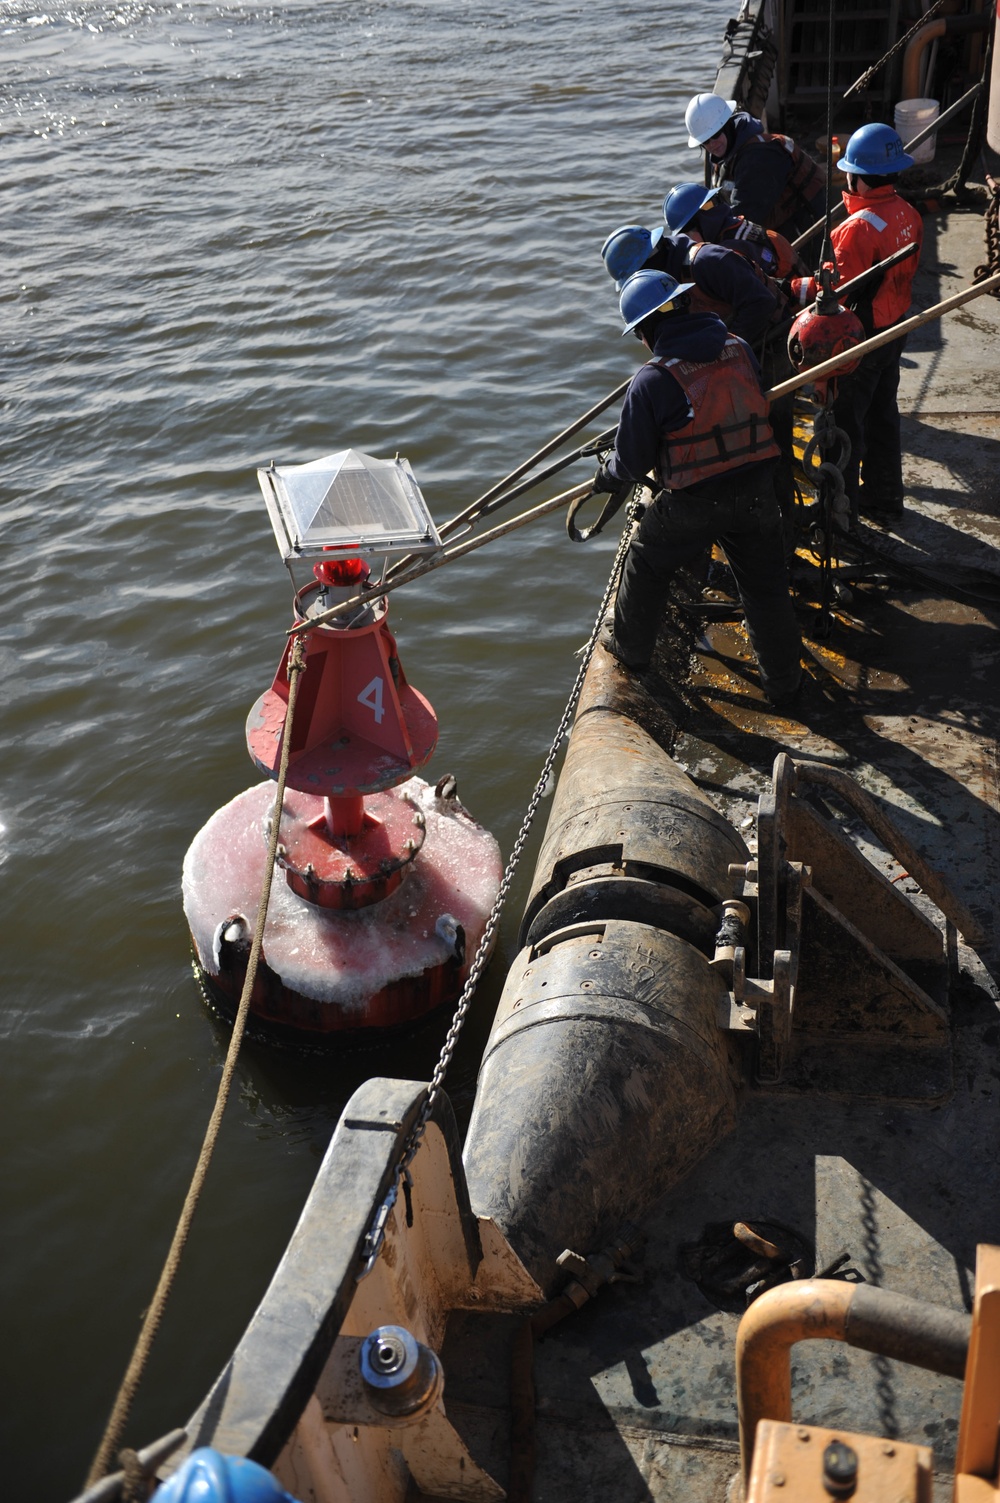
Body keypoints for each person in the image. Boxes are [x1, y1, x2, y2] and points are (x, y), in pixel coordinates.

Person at [592, 267, 803, 705]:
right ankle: (784, 685)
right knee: (766, 587)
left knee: (647, 560)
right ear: (686, 304)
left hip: (696, 500)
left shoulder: (651, 380)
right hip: (757, 488)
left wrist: (605, 475)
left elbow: (630, 463)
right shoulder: (739, 347)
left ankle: (630, 654)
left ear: (646, 330)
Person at [787, 123, 923, 518]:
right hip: (894, 328)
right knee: (883, 415)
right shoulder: (908, 213)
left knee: (843, 426)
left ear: (858, 179)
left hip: (860, 340)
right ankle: (886, 497)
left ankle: (838, 515)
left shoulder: (855, 229)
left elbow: (834, 296)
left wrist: (792, 289)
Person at [601, 221, 778, 348]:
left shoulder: (709, 262)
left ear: (649, 263)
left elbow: (761, 303)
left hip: (772, 339)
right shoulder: (668, 283)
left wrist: (724, 348)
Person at [684, 93, 825, 240]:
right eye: (706, 141)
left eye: (716, 134)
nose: (712, 144)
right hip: (778, 220)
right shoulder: (725, 155)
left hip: (806, 227)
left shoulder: (758, 157)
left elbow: (746, 215)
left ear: (728, 126)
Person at [662, 182, 797, 280]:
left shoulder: (729, 250)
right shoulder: (734, 225)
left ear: (703, 222)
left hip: (788, 308)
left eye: (687, 232)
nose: (688, 241)